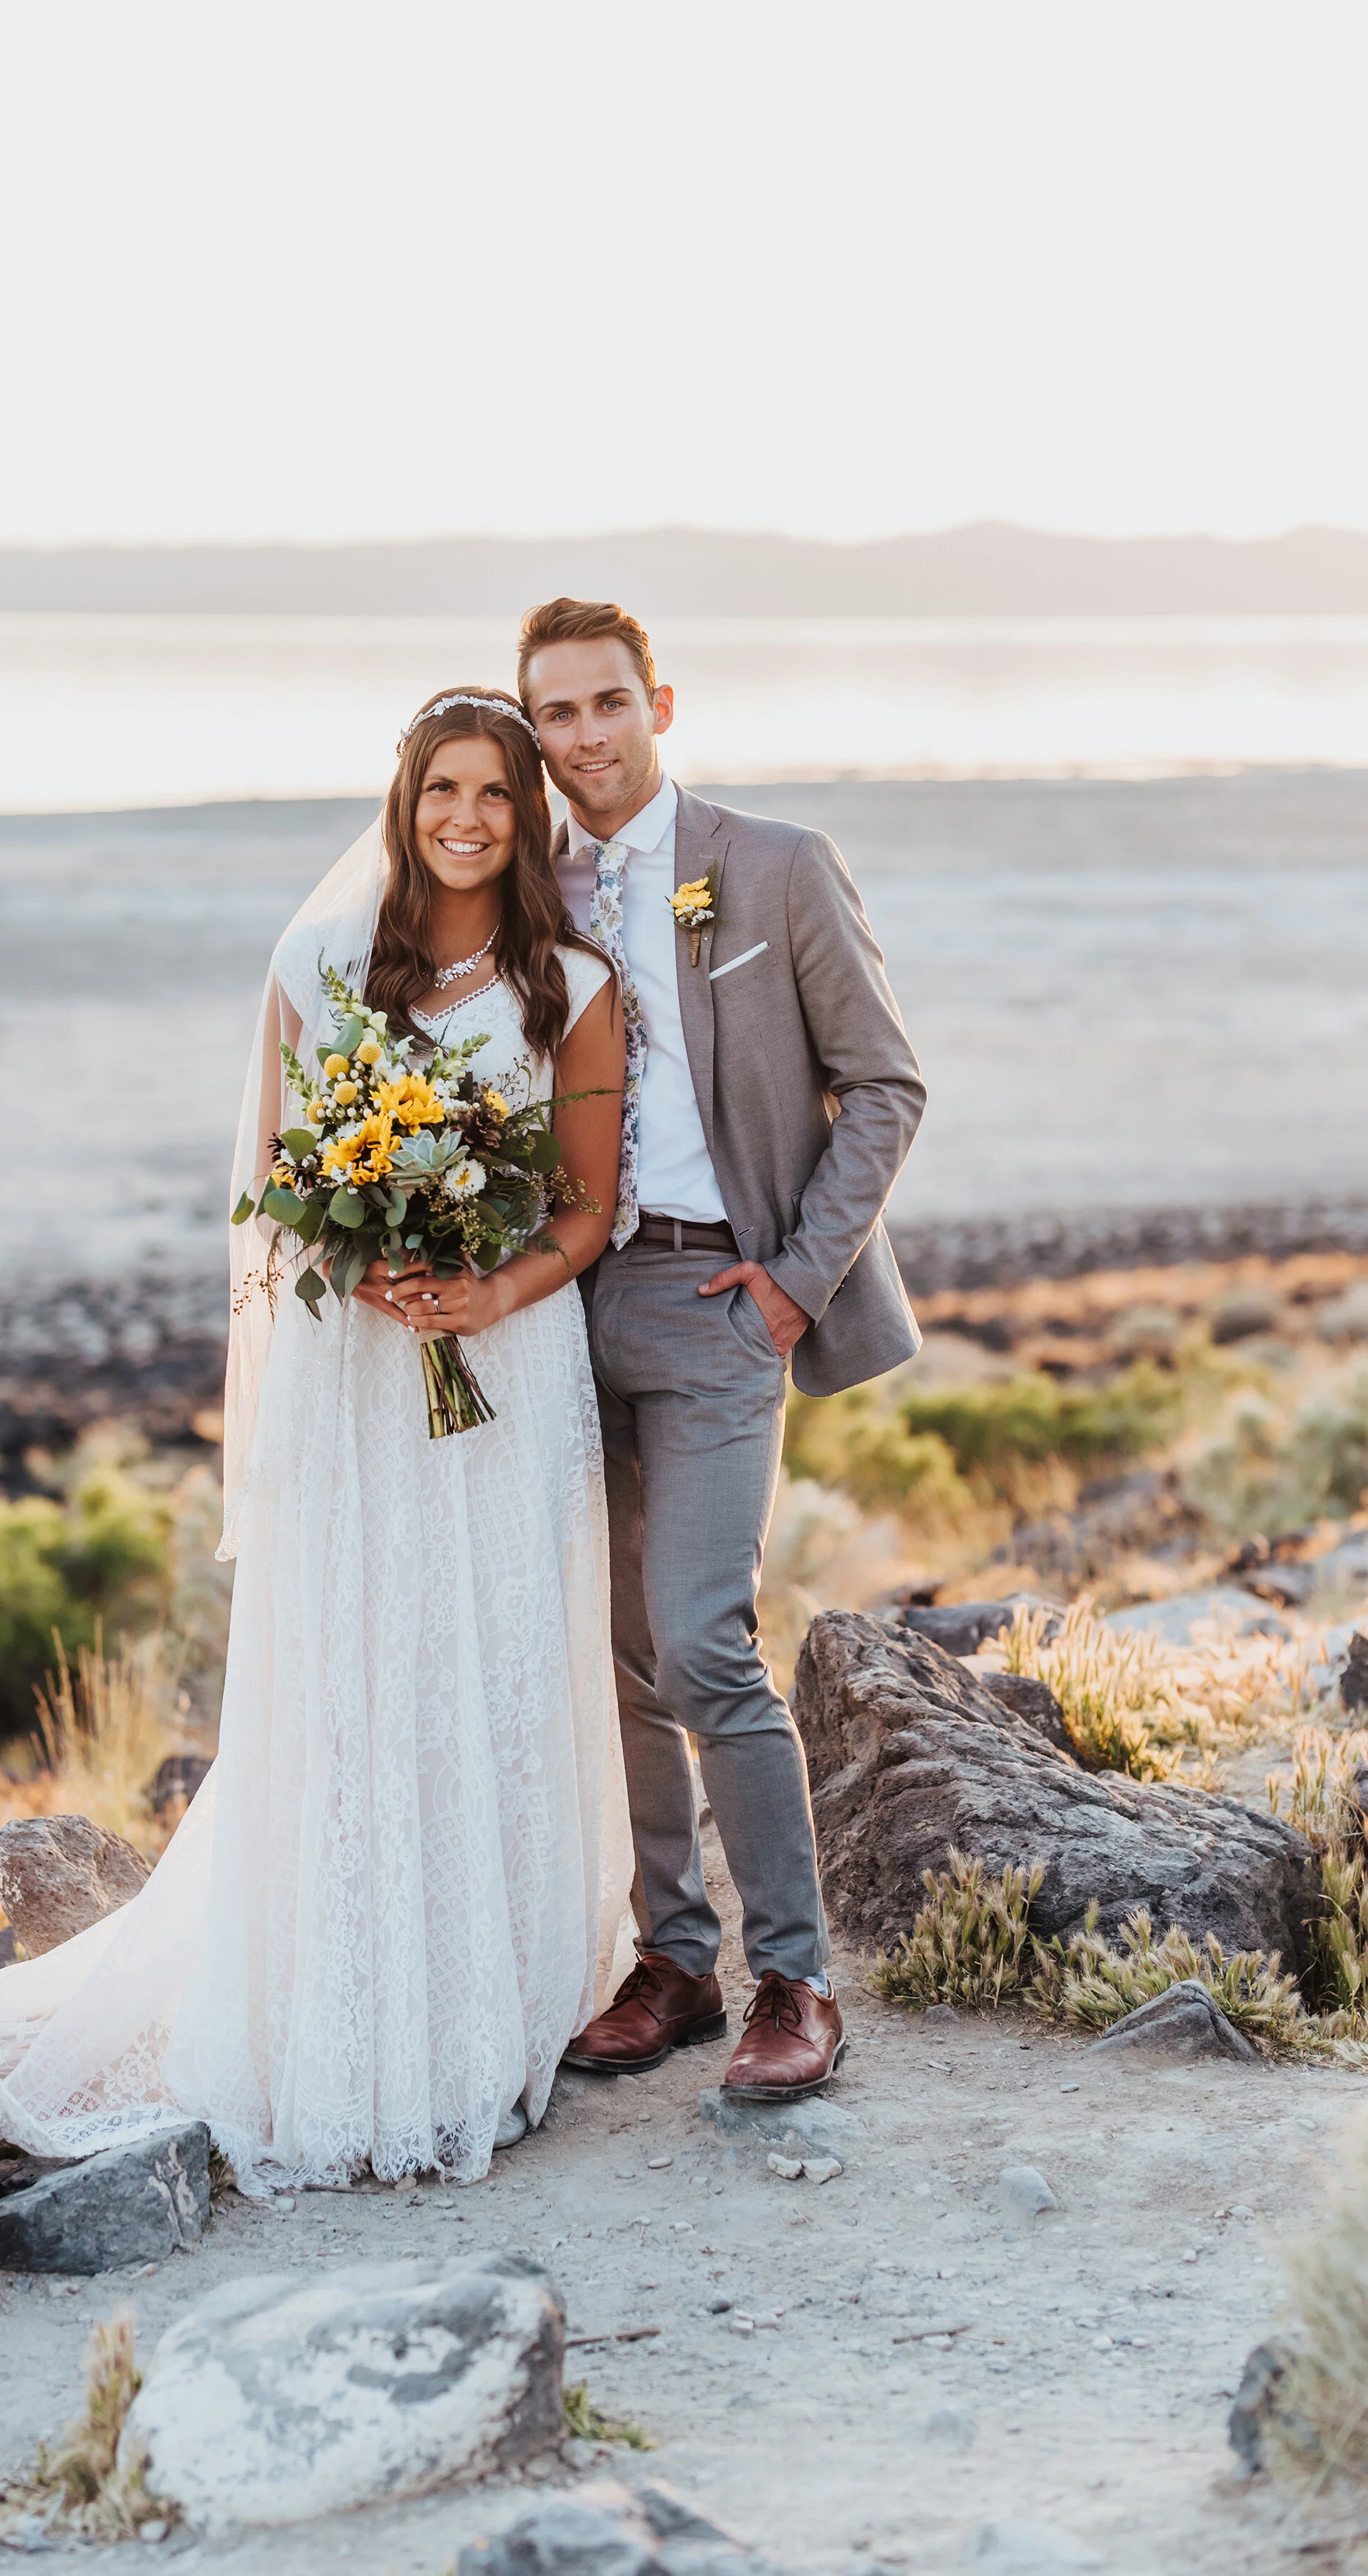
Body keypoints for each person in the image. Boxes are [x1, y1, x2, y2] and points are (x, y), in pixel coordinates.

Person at [0, 688, 633, 2196]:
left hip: (508, 1381)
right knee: (364, 1682)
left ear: (528, 811)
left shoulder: (570, 981)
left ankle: (485, 2017)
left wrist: (490, 1282)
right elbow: (284, 1187)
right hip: (364, 1380)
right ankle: (343, 2022)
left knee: (488, 1675)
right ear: (404, 799)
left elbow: (581, 1206)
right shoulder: (318, 966)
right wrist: (358, 1263)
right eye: (444, 788)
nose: (469, 819)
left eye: (497, 793)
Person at [518, 596, 926, 2104]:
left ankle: (798, 1981)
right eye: (554, 715)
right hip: (569, 1308)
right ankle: (676, 1961)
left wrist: (791, 1288)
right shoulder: (531, 894)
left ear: (659, 705)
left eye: (606, 705)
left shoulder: (775, 867)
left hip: (719, 1306)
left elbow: (886, 1086)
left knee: (700, 1638)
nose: (583, 740)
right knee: (619, 1653)